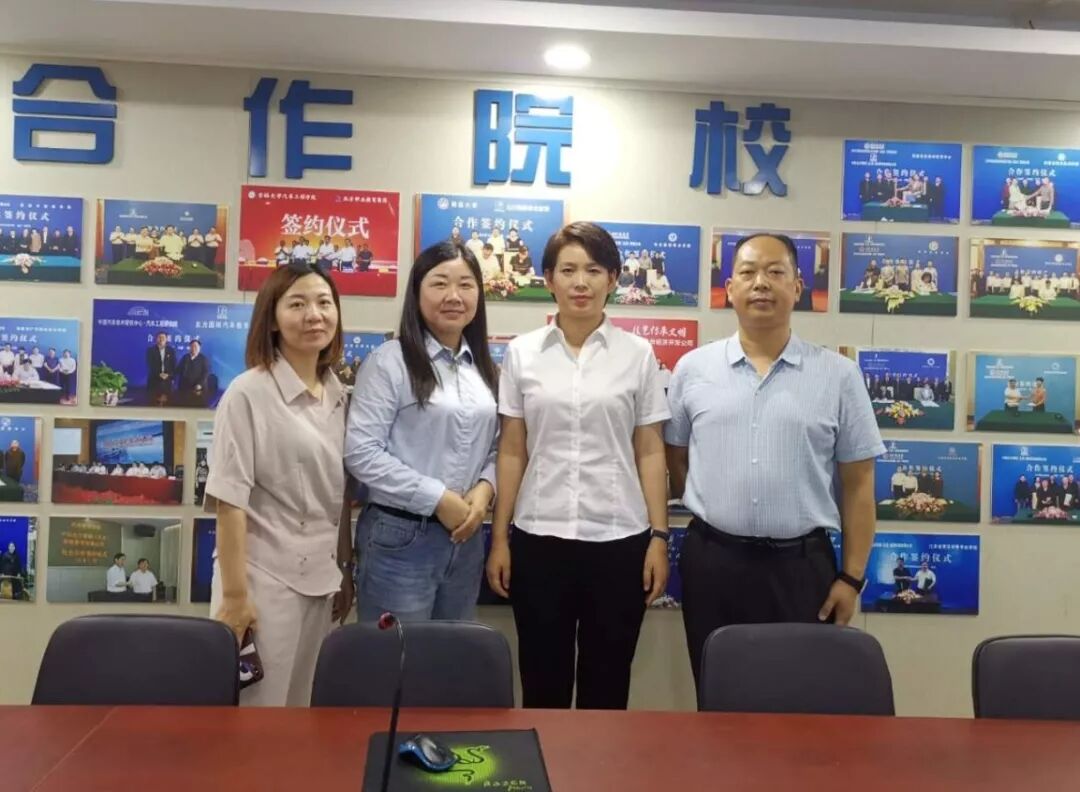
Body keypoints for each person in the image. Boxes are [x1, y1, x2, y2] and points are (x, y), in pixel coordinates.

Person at [666, 233, 885, 687]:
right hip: (713, 563)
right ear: (729, 289)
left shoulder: (838, 375)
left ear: (798, 287)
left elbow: (859, 484)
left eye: (775, 272)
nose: (761, 283)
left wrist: (852, 578)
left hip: (802, 569)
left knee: (799, 699)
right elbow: (677, 459)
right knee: (718, 693)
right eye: (748, 273)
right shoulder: (693, 369)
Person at [487, 222, 671, 710]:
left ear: (613, 278)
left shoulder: (638, 354)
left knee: (607, 688)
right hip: (538, 537)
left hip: (619, 540)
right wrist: (500, 538)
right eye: (567, 270)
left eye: (593, 270)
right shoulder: (522, 353)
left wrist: (659, 536)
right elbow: (512, 449)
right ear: (548, 279)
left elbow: (649, 448)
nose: (580, 282)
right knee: (541, 684)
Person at [204, 261, 353, 707]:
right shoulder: (248, 393)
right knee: (256, 716)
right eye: (297, 304)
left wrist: (344, 571)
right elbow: (229, 501)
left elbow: (337, 498)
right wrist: (236, 598)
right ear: (271, 318)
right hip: (263, 580)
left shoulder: (339, 395)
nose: (314, 315)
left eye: (324, 303)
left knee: (303, 713)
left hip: (321, 582)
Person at [345, 241, 499, 623]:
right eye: (440, 283)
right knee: (396, 656)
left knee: (449, 655)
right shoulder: (390, 362)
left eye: (466, 285)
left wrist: (485, 488)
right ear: (416, 293)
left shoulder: (484, 369)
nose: (454, 296)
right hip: (399, 537)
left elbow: (498, 446)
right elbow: (361, 452)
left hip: (465, 540)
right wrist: (437, 498)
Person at [175, 339, 210, 404]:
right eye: (192, 346)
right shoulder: (185, 357)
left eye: (196, 346)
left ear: (199, 348)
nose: (194, 348)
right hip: (184, 387)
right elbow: (178, 369)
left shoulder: (203, 359)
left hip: (197, 387)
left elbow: (205, 373)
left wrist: (200, 384)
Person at [146, 333, 177, 400]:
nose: (161, 339)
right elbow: (151, 365)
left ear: (166, 339)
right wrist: (159, 374)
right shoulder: (151, 350)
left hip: (167, 380)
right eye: (159, 337)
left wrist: (168, 375)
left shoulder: (171, 350)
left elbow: (173, 365)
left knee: (168, 402)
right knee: (153, 401)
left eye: (163, 337)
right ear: (156, 339)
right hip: (154, 380)